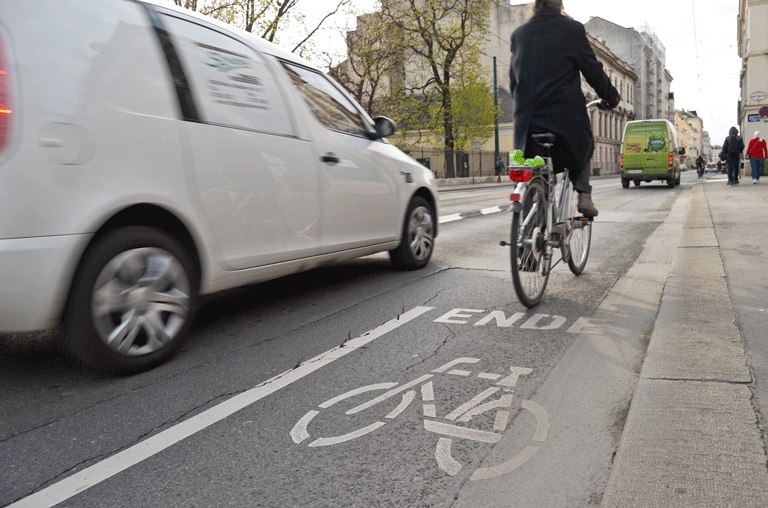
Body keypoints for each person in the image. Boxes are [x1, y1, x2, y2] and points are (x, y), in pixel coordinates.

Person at [508, 0, 620, 218]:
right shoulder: (572, 29)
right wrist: (611, 97)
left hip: (528, 123)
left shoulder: (519, 34)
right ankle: (584, 194)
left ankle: (530, 226)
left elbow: (514, 82)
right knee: (585, 142)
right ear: (559, 7)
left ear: (535, 6)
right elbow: (592, 70)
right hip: (565, 120)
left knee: (530, 170)